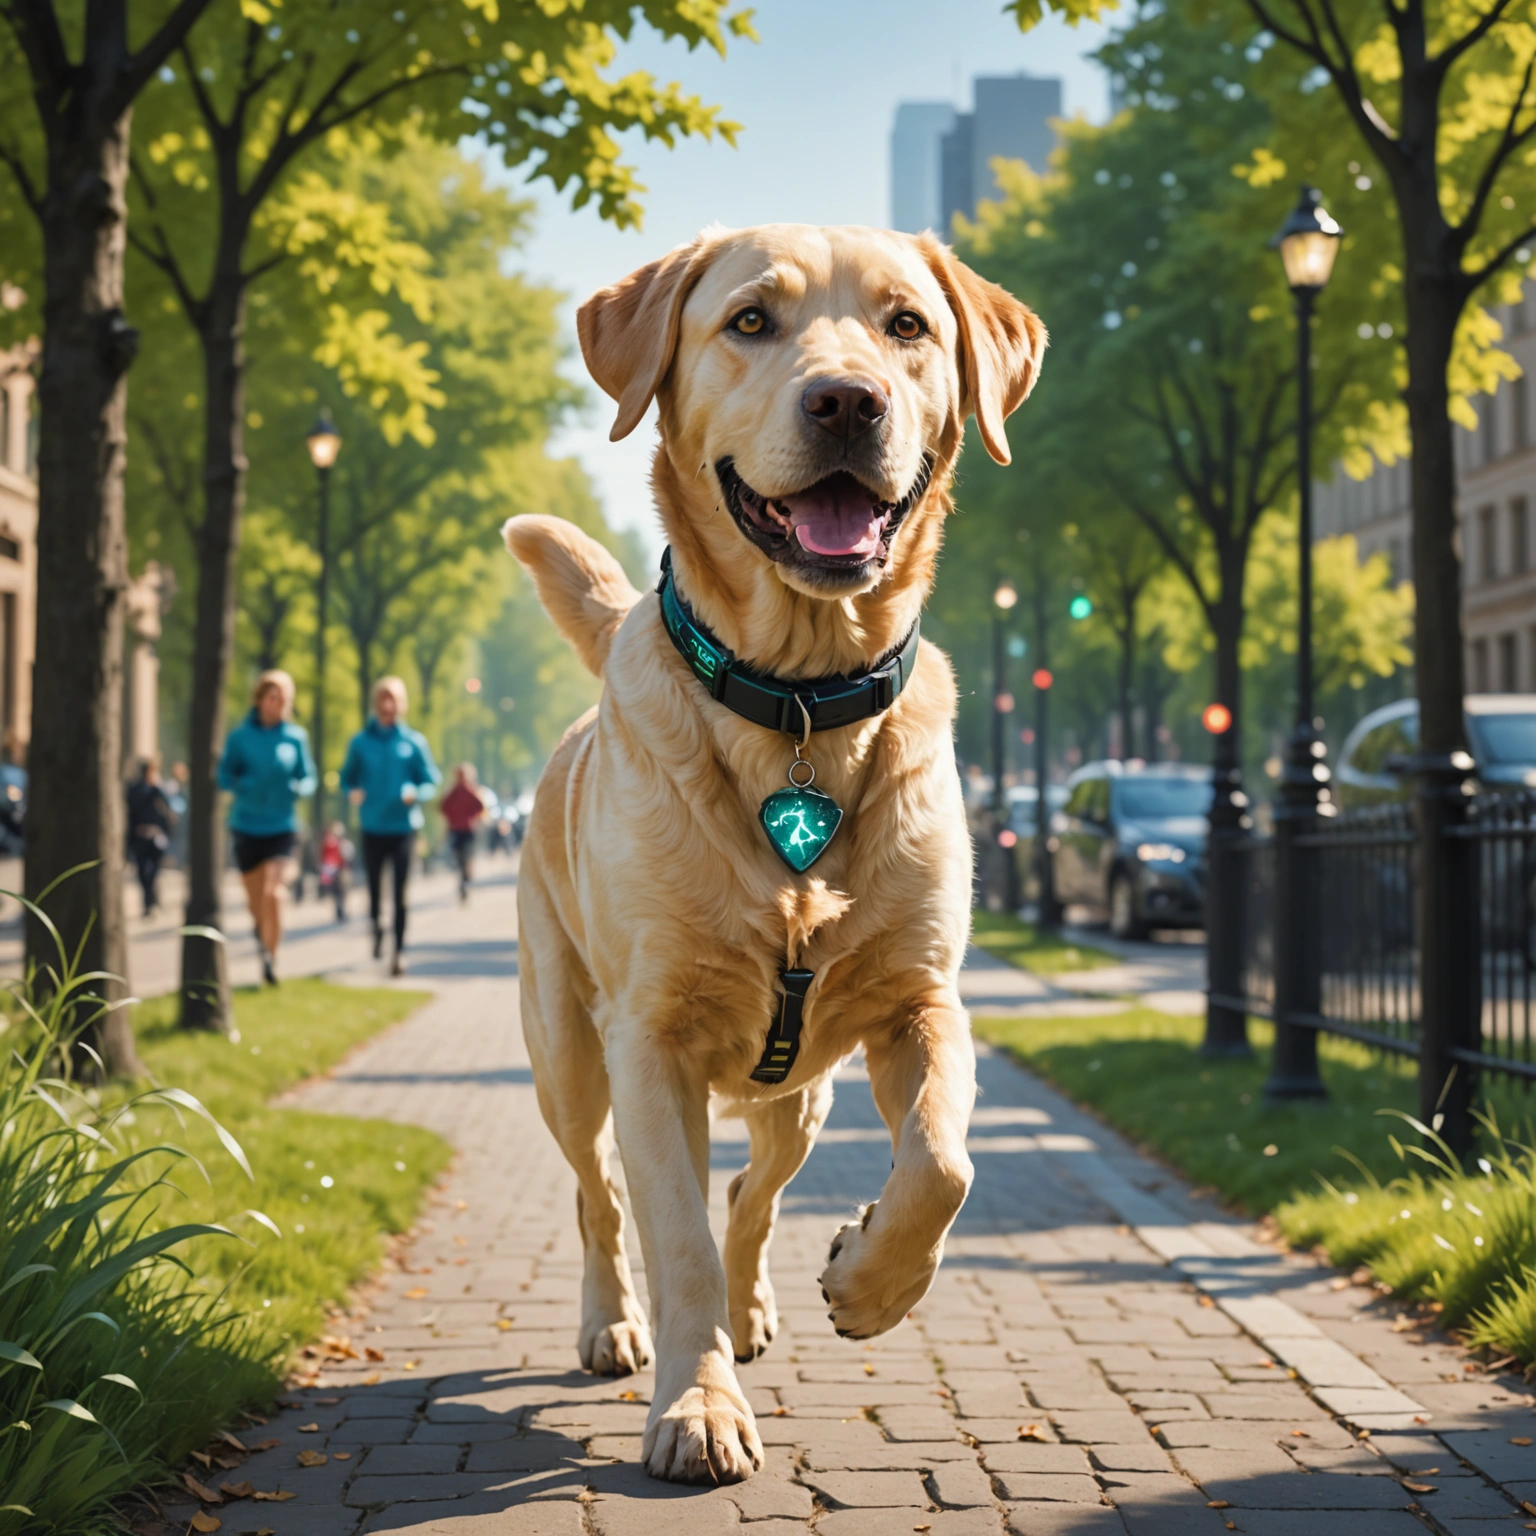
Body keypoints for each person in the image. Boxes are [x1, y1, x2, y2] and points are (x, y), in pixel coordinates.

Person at [217, 670, 317, 986]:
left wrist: (299, 787)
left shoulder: (295, 737)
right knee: (255, 899)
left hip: (282, 824)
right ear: (260, 698)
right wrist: (241, 783)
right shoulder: (240, 737)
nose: (277, 703)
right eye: (271, 696)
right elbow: (223, 775)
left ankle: (270, 959)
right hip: (247, 824)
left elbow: (309, 776)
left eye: (283, 698)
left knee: (274, 893)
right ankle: (262, 941)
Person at [340, 677, 440, 975]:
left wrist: (417, 793)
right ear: (376, 703)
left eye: (393, 699)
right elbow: (347, 777)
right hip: (371, 825)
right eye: (383, 698)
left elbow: (431, 781)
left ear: (401, 705)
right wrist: (352, 791)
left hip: (403, 827)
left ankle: (398, 951)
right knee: (372, 887)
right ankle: (376, 926)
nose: (388, 705)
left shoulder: (414, 742)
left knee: (400, 893)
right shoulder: (360, 742)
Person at [125, 756, 175, 915]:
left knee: (152, 871)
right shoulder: (134, 789)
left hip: (154, 836)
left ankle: (150, 901)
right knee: (142, 872)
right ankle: (148, 901)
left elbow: (168, 807)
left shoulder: (156, 789)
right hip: (140, 836)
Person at [440, 763, 489, 902]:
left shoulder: (470, 790)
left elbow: (480, 806)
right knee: (460, 857)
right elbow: (443, 806)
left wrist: (473, 817)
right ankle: (464, 879)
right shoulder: (454, 791)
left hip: (468, 830)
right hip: (456, 830)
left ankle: (466, 877)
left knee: (467, 856)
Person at [318, 820, 354, 922]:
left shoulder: (342, 843)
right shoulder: (330, 844)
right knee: (340, 892)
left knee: (341, 892)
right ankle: (340, 911)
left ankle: (341, 910)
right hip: (336, 870)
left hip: (340, 870)